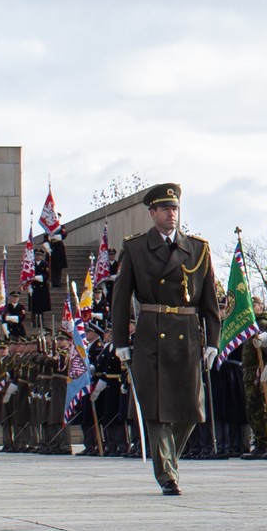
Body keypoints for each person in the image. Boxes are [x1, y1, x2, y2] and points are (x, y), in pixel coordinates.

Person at [110, 184, 220, 494]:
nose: (172, 214)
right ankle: (167, 474)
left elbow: (210, 300)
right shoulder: (135, 248)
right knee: (155, 409)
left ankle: (169, 459)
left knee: (189, 409)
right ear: (152, 213)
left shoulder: (198, 248)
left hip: (187, 334)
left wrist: (212, 341)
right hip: (151, 334)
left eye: (175, 209)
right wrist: (120, 341)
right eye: (165, 209)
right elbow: (121, 300)